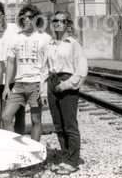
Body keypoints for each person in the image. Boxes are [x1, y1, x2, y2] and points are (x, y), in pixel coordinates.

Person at [1, 4, 52, 142]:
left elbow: (48, 64)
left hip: (36, 84)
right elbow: (10, 63)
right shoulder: (15, 38)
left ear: (37, 19)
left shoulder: (45, 38)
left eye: (30, 17)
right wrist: (6, 87)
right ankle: (17, 149)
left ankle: (34, 153)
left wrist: (44, 89)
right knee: (6, 117)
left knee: (36, 119)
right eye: (24, 17)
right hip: (19, 85)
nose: (27, 20)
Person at [45, 11, 87, 175]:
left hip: (66, 82)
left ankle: (73, 161)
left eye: (60, 21)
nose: (57, 23)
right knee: (58, 125)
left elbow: (82, 69)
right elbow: (45, 67)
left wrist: (67, 85)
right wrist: (45, 89)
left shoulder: (73, 44)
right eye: (54, 20)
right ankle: (65, 157)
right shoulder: (50, 44)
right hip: (52, 81)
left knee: (69, 125)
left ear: (67, 24)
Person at [0, 1, 25, 133]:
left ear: (4, 15)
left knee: (17, 116)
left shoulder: (15, 29)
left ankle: (21, 146)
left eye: (0, 15)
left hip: (16, 80)